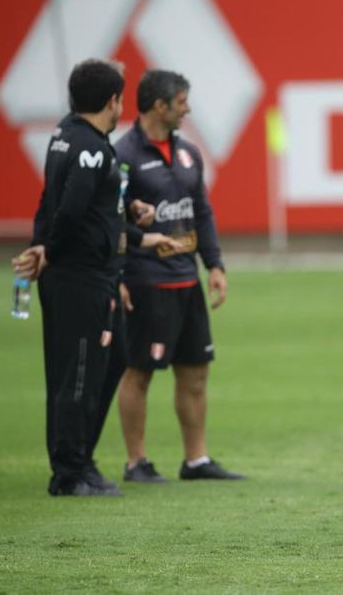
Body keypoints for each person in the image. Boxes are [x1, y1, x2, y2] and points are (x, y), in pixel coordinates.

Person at [12, 58, 179, 496]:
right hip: (81, 278)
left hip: (83, 274)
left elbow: (60, 205)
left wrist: (136, 229)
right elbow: (70, 209)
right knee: (78, 374)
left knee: (112, 357)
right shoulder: (91, 148)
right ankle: (70, 472)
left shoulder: (65, 135)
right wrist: (47, 248)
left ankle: (80, 459)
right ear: (113, 100)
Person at [113, 69, 242, 483]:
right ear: (159, 106)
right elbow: (108, 220)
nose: (187, 108)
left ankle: (196, 460)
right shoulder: (124, 155)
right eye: (182, 101)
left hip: (187, 280)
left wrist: (215, 265)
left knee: (196, 371)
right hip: (146, 280)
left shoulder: (189, 153)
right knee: (140, 370)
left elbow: (201, 211)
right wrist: (118, 272)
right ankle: (136, 462)